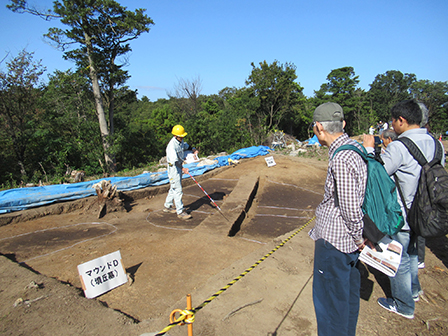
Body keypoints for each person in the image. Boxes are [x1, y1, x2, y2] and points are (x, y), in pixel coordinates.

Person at [364, 99, 445, 319]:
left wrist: (370, 151)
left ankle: (403, 304)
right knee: (411, 252)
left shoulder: (400, 146)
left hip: (403, 214)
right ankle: (414, 291)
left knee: (397, 257)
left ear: (401, 120)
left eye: (393, 120)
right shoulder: (437, 145)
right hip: (426, 211)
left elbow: (378, 176)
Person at [309, 102, 368, 336]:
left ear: (319, 128)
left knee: (329, 305)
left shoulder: (341, 158)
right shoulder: (354, 148)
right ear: (342, 124)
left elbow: (349, 206)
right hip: (348, 245)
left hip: (336, 242)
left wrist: (358, 237)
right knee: (345, 299)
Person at [163, 125, 199, 220]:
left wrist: (193, 149)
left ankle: (167, 205)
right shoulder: (171, 146)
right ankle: (180, 211)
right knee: (178, 190)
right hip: (174, 169)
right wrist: (183, 169)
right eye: (181, 136)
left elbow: (187, 146)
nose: (182, 137)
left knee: (173, 187)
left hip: (178, 167)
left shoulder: (180, 141)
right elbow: (175, 162)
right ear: (175, 135)